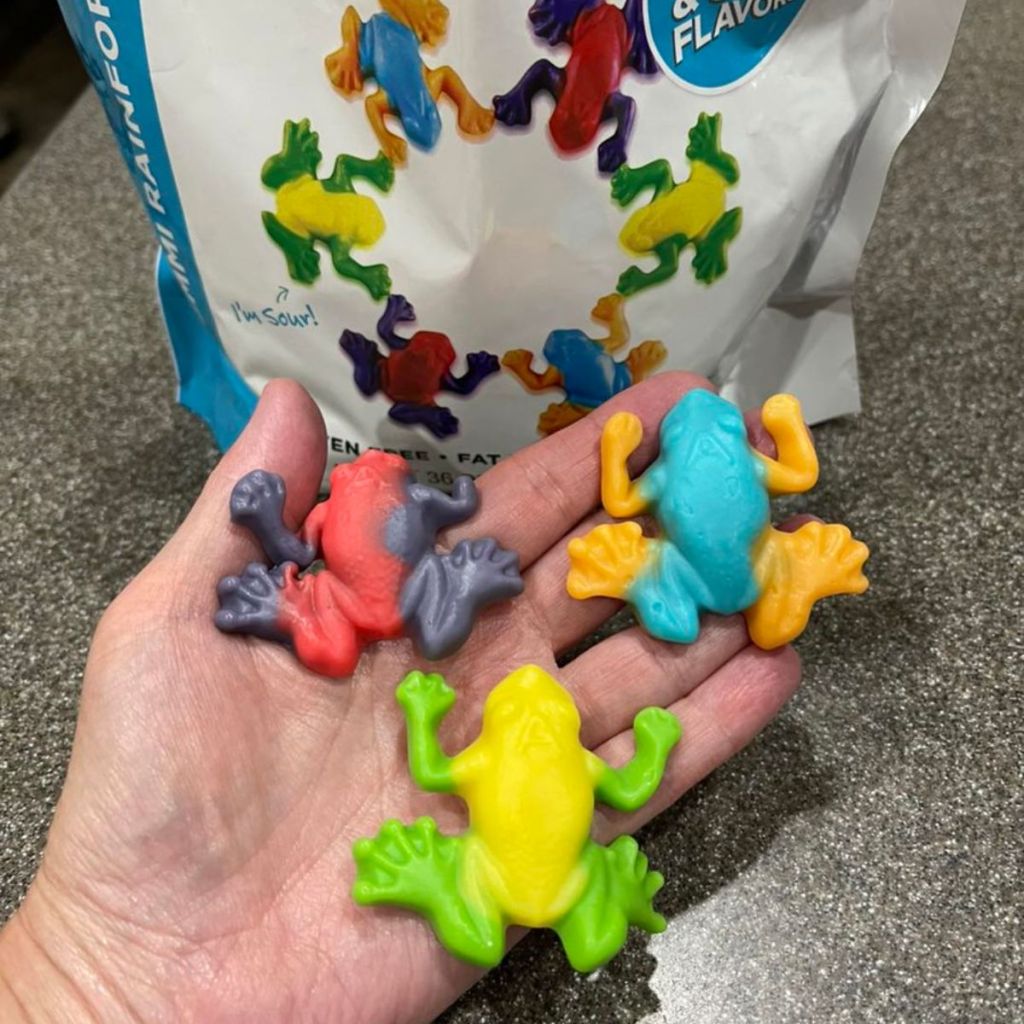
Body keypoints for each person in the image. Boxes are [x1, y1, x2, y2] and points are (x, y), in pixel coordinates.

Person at [0, 374, 800, 1022]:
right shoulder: (567, 759)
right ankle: (536, 888)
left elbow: (436, 767)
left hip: (496, 862)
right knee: (571, 910)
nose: (542, 704)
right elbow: (625, 782)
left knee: (514, 902)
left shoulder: (484, 751)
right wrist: (650, 744)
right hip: (526, 848)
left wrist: (423, 712)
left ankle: (458, 879)